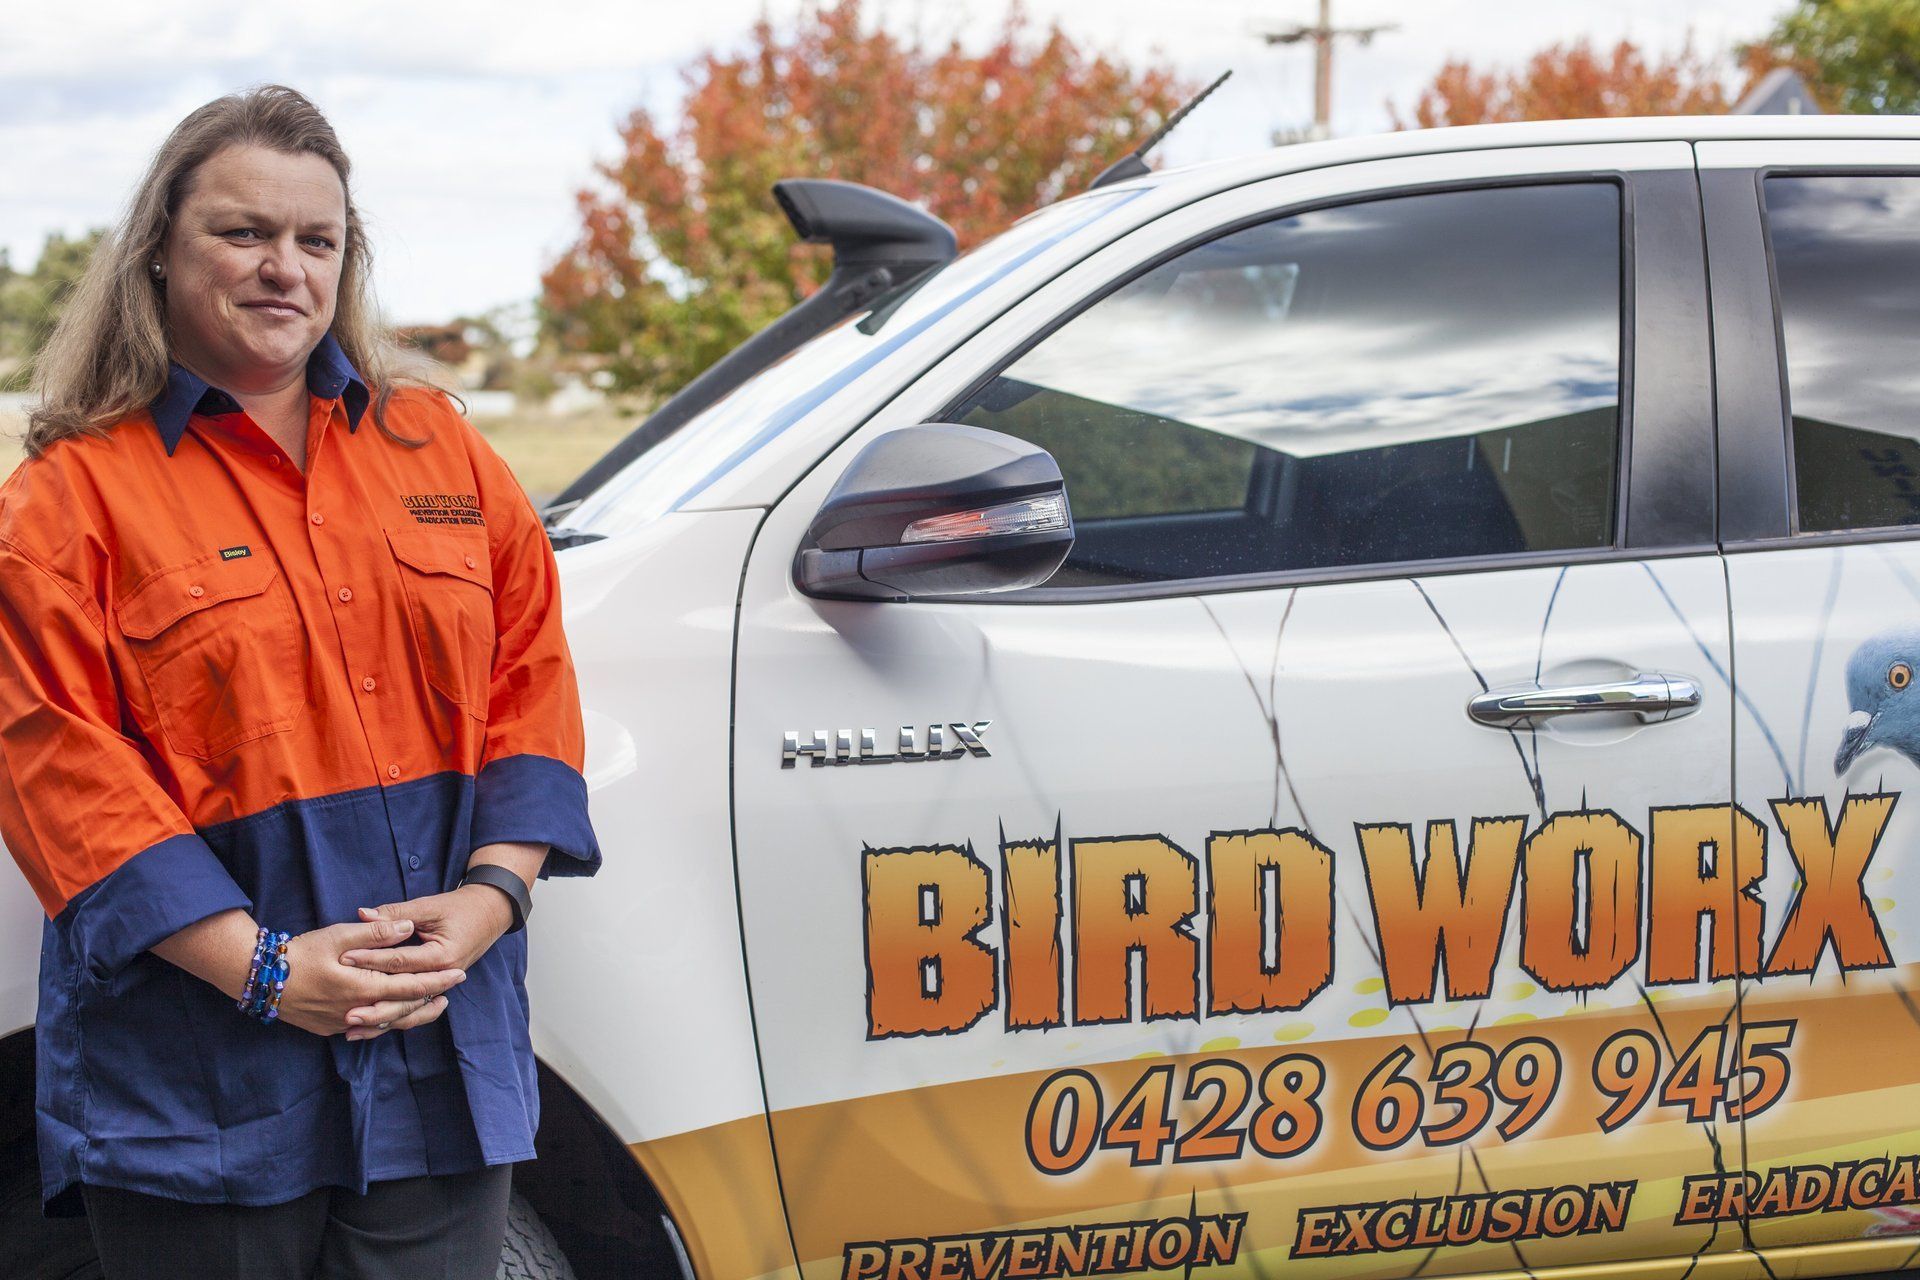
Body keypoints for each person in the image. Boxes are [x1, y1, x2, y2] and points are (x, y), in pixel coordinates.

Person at [0, 84, 602, 1278]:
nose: (284, 266)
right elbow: (56, 765)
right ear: (160, 252)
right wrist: (270, 971)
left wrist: (487, 903)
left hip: (437, 1039)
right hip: (199, 1078)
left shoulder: (442, 448)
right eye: (244, 233)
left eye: (315, 240)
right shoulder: (67, 502)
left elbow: (531, 674)